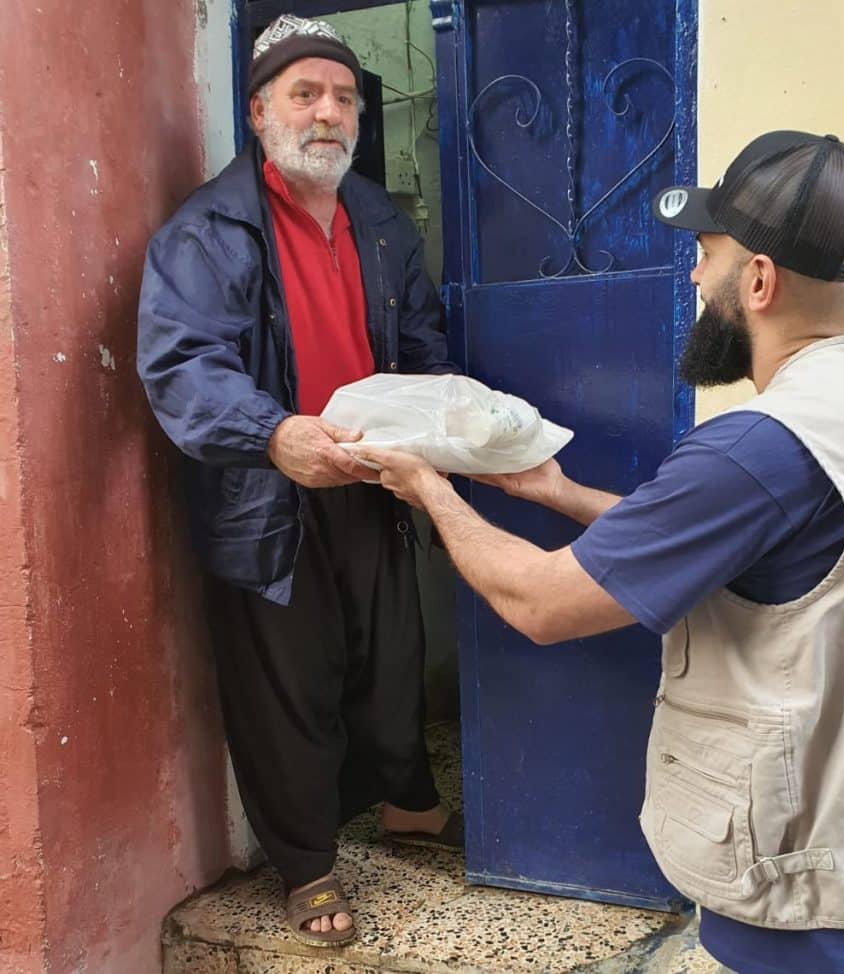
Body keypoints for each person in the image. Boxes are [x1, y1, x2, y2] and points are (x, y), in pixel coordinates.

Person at [354, 131, 844, 974]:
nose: (696, 279)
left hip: (842, 929)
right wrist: (561, 495)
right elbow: (757, 545)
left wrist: (430, 489)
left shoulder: (761, 448)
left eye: (707, 256)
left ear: (761, 280)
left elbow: (541, 605)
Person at [137, 14, 461, 948]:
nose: (329, 114)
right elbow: (183, 363)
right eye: (305, 95)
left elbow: (423, 339)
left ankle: (406, 806)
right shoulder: (209, 231)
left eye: (345, 97)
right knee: (287, 680)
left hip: (369, 476)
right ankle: (308, 864)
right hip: (265, 492)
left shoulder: (378, 218)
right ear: (258, 111)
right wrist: (274, 433)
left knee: (391, 650)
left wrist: (439, 419)